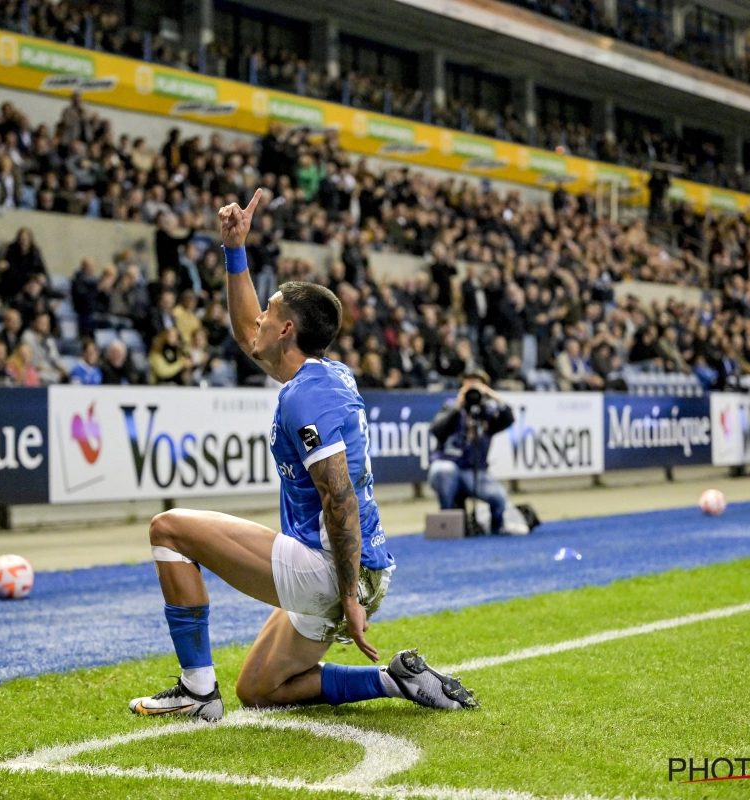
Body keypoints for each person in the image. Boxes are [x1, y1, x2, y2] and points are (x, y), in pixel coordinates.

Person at [128, 189, 477, 722]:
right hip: (361, 567)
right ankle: (395, 678)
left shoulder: (304, 395)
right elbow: (249, 334)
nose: (260, 320)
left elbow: (338, 498)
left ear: (288, 329)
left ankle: (197, 692)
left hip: (334, 568)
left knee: (169, 528)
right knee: (260, 690)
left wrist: (348, 597)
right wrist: (235, 252)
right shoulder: (325, 375)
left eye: (270, 311)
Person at [427, 370, 530, 535]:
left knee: (499, 497)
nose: (472, 387)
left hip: (474, 471)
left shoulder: (487, 411)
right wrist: (458, 407)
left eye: (477, 384)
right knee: (443, 471)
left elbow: (508, 419)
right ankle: (447, 523)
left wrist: (493, 396)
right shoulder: (450, 406)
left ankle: (497, 528)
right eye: (468, 383)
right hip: (449, 465)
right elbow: (437, 430)